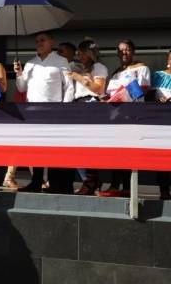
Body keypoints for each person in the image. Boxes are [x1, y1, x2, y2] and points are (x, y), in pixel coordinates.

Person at [14, 32, 74, 193]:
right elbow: (21, 88)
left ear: (51, 42)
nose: (39, 43)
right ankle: (36, 181)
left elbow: (68, 85)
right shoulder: (30, 63)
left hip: (54, 110)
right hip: (33, 111)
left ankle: (55, 183)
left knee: (54, 147)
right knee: (36, 147)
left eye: (42, 40)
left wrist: (65, 107)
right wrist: (19, 73)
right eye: (37, 41)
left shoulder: (60, 61)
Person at [100, 39, 150, 197]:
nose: (124, 53)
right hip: (115, 119)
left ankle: (128, 188)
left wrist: (120, 96)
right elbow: (109, 94)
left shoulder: (142, 68)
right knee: (116, 153)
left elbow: (143, 90)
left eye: (127, 49)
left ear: (133, 51)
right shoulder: (115, 73)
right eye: (121, 50)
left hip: (132, 117)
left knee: (129, 154)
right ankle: (115, 185)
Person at [65, 40, 108, 195]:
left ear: (90, 53)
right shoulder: (80, 68)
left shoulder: (99, 67)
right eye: (78, 52)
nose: (79, 55)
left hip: (91, 105)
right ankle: (90, 180)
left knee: (87, 146)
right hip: (78, 105)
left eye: (82, 52)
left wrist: (79, 77)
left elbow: (98, 88)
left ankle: (90, 181)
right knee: (76, 147)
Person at [150, 50, 171, 200]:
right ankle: (164, 191)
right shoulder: (158, 75)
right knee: (164, 158)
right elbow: (149, 96)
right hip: (162, 124)